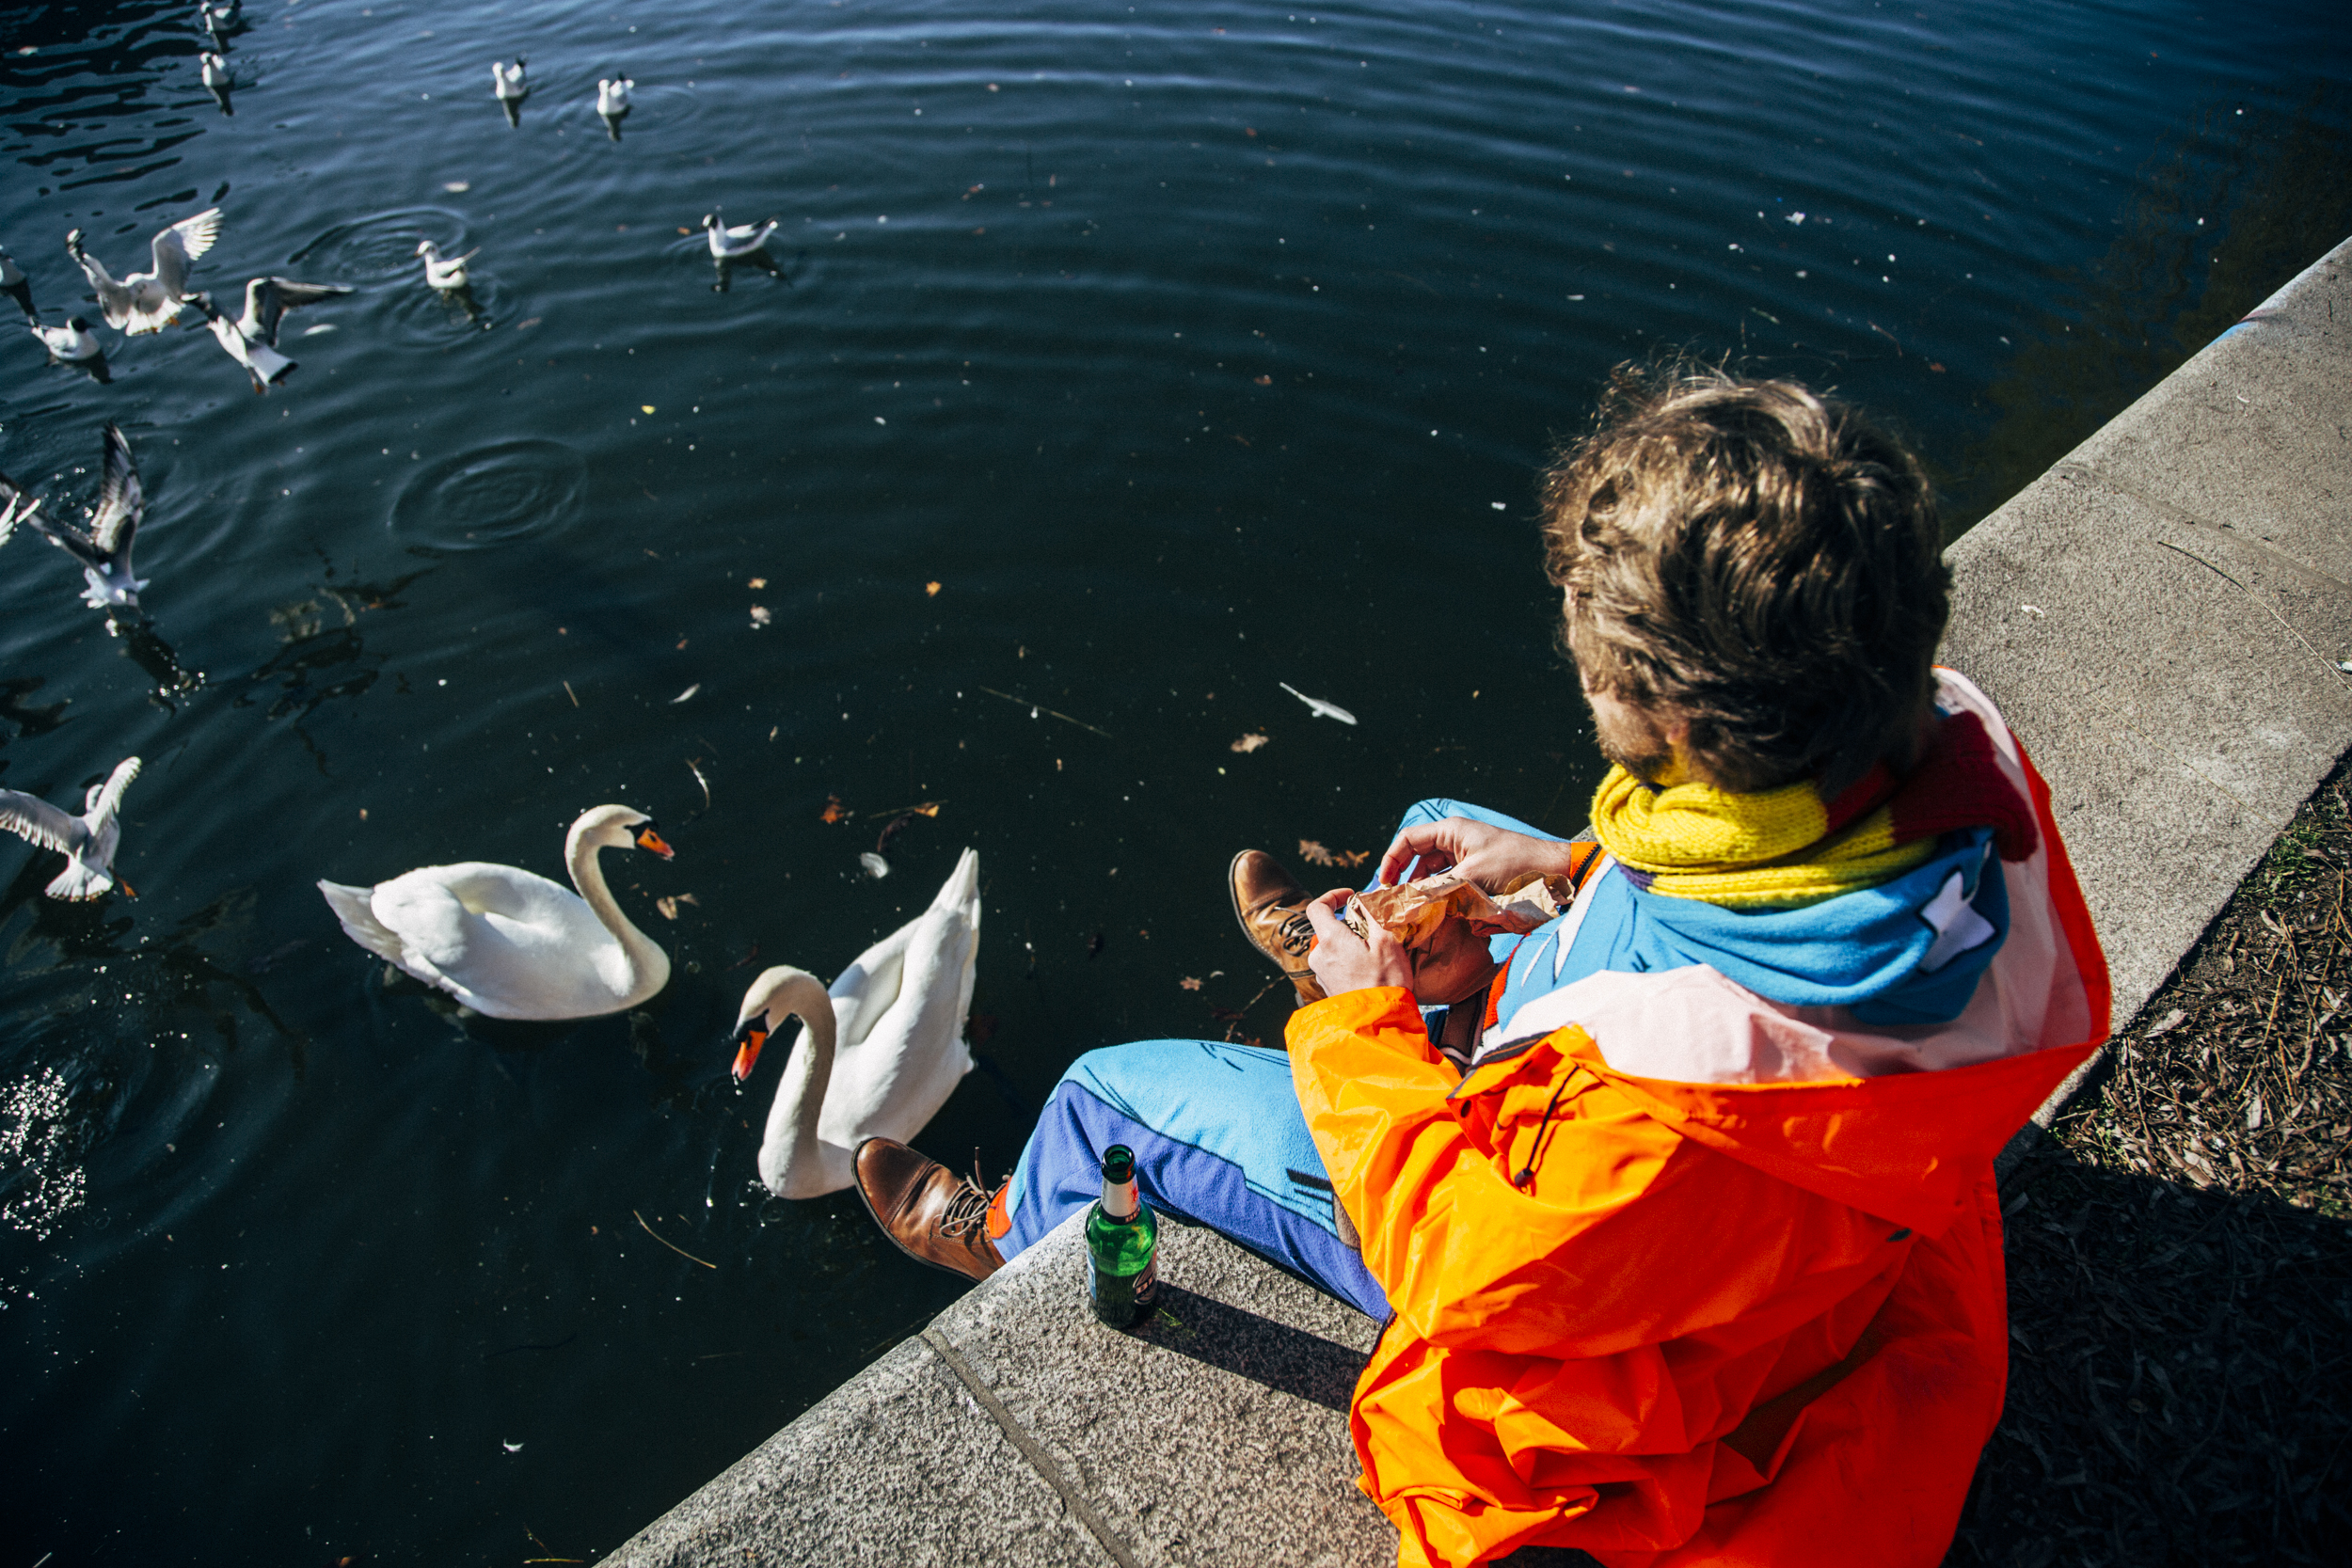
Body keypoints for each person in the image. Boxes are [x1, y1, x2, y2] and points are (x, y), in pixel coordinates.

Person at [852, 364, 2109, 1568]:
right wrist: (1563, 874)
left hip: (1614, 1303)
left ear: (1663, 721)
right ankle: (1372, 955)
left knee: (1098, 1096)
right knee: (1440, 820)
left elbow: (1469, 1266)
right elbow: (1734, 888)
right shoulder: (1954, 770)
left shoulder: (1685, 1116)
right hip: (1808, 1214)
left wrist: (1363, 1024)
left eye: (1603, 686)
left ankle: (1016, 1222)